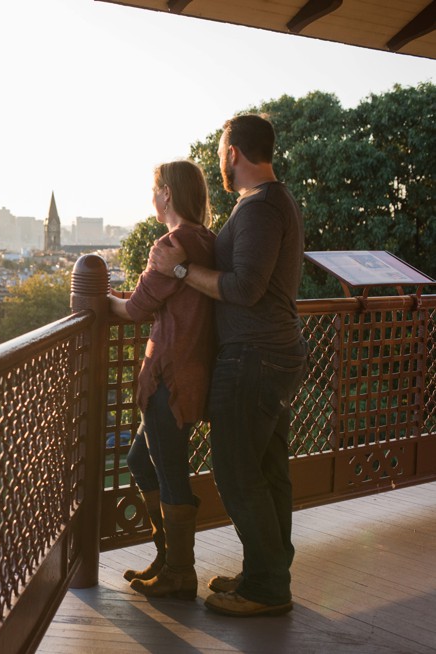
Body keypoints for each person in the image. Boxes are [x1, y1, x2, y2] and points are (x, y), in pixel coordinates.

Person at [149, 114, 307, 617]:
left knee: (237, 473)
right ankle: (268, 571)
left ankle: (266, 587)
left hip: (255, 358)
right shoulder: (270, 203)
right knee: (267, 470)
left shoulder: (261, 208)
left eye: (221, 151)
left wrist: (178, 269)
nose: (220, 159)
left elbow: (244, 288)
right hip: (271, 355)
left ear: (233, 153)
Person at [108, 159, 216, 600]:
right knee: (140, 459)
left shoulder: (172, 244)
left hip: (169, 376)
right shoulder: (207, 241)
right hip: (193, 372)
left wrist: (98, 299)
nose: (152, 198)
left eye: (155, 189)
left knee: (170, 473)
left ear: (167, 194)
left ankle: (179, 572)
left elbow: (134, 309)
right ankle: (167, 557)